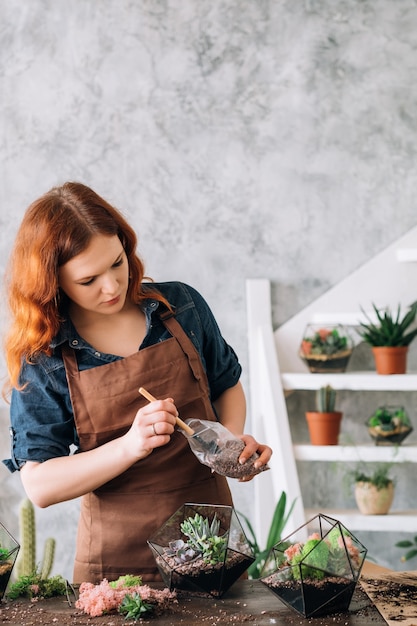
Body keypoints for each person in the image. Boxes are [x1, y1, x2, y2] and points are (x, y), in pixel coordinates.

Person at [3, 182, 272, 584]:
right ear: (52, 281)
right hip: (116, 563)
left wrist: (227, 446)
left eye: (116, 263)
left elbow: (226, 385)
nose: (110, 287)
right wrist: (130, 446)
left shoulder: (180, 306)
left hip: (211, 544)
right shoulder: (44, 358)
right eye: (88, 280)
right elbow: (40, 485)